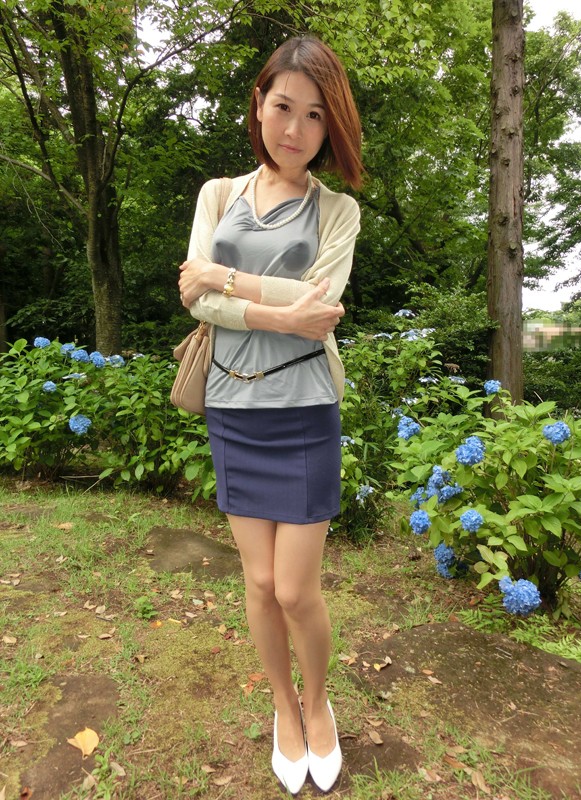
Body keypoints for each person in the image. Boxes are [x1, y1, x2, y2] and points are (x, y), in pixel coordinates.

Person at [178, 36, 363, 794]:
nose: (295, 129)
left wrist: (224, 279)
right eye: (284, 106)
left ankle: (319, 705)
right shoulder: (218, 194)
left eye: (315, 115)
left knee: (295, 591)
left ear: (330, 127)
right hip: (232, 408)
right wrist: (281, 313)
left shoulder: (337, 210)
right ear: (259, 105)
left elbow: (325, 304)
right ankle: (284, 707)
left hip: (304, 410)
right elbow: (194, 299)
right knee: (258, 584)